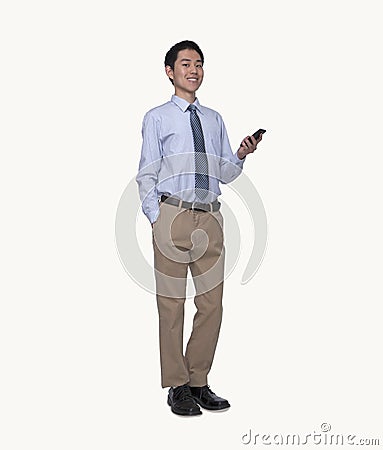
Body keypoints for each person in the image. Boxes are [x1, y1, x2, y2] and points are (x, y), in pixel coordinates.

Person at [136, 40, 263, 416]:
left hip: (210, 217)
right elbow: (147, 170)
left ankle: (198, 381)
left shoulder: (213, 119)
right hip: (173, 216)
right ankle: (177, 385)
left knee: (211, 305)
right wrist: (156, 217)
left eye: (200, 64)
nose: (194, 70)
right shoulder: (157, 117)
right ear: (170, 71)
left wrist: (240, 154)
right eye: (186, 63)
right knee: (171, 306)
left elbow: (224, 171)